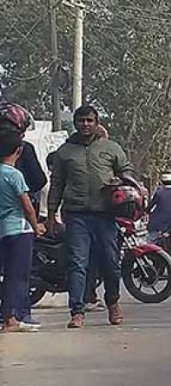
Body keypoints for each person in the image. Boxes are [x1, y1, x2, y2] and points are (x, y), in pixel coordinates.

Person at [49, 105, 136, 329]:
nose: (85, 124)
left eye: (89, 120)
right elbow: (57, 184)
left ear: (96, 123)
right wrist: (51, 214)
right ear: (75, 124)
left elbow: (126, 171)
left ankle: (113, 304)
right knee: (77, 263)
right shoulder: (64, 152)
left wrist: (124, 183)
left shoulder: (111, 148)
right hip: (77, 215)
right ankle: (77, 312)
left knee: (111, 263)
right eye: (81, 121)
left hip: (105, 216)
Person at [1, 101, 46, 325]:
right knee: (19, 272)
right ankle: (19, 314)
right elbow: (39, 181)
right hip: (19, 225)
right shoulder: (22, 149)